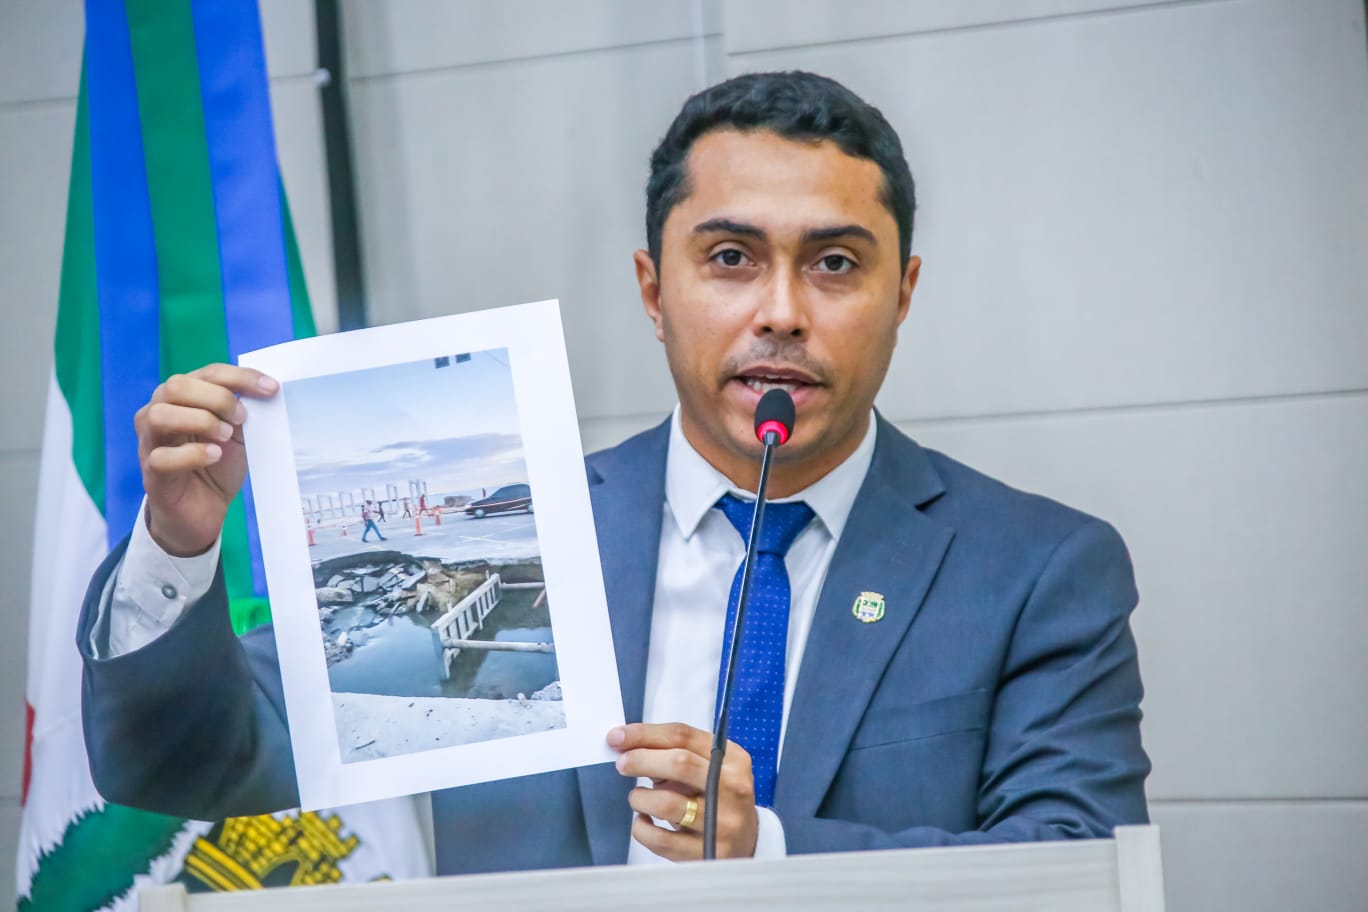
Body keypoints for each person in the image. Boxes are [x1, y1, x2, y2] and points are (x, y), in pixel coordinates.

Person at [78, 71, 1149, 874]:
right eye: (729, 259)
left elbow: (1079, 868)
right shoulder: (528, 529)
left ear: (901, 293)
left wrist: (771, 850)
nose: (781, 311)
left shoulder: (1035, 570)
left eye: (834, 263)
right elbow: (181, 763)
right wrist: (178, 543)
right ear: (653, 290)